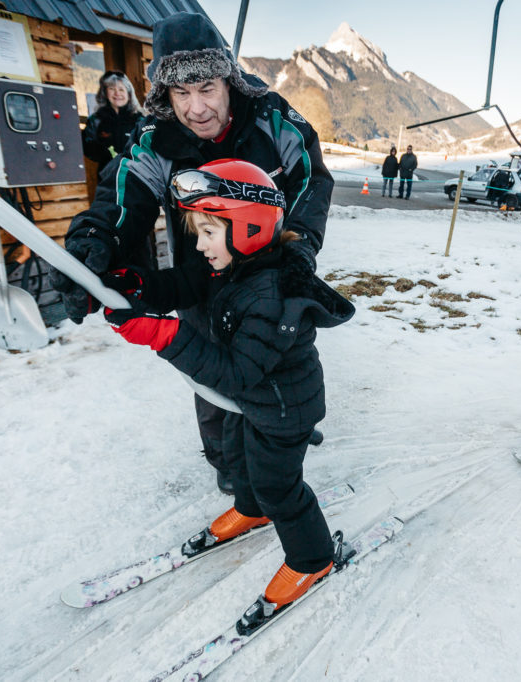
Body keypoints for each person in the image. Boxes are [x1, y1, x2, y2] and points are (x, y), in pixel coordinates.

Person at [50, 12, 334, 495]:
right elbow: (123, 196)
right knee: (209, 364)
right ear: (165, 95)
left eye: (205, 88)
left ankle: (286, 428)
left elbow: (312, 180)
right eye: (181, 93)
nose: (196, 107)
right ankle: (229, 463)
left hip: (271, 271)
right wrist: (92, 242)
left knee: (280, 354)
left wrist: (300, 248)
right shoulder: (156, 138)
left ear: (229, 81)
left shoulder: (274, 119)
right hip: (202, 269)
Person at [101, 159, 355, 622]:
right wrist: (138, 287)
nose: (198, 245)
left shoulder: (270, 297)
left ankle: (312, 558)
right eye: (196, 231)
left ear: (248, 227)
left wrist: (163, 335)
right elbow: (184, 284)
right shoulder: (231, 265)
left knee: (279, 486)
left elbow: (237, 373)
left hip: (284, 409)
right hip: (253, 403)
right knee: (238, 455)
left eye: (207, 232)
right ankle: (250, 508)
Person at [81, 71, 144, 180]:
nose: (117, 93)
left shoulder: (139, 119)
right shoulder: (96, 119)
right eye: (111, 89)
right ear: (105, 93)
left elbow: (150, 147)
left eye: (121, 89)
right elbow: (87, 145)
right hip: (107, 177)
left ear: (129, 94)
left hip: (136, 176)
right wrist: (103, 153)